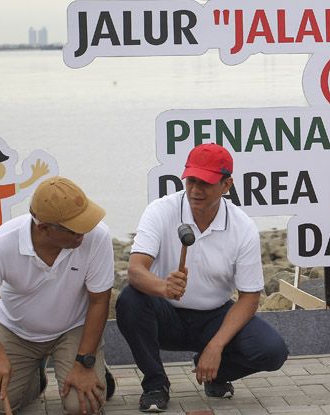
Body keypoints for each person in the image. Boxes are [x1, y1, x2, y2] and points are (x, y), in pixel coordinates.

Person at [116, 143, 288, 413]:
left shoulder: (242, 227)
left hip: (214, 317)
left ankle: (215, 373)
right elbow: (136, 270)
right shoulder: (160, 210)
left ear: (226, 184)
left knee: (273, 351)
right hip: (166, 315)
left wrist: (216, 346)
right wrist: (163, 287)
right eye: (191, 180)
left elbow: (249, 297)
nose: (195, 190)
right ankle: (155, 384)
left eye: (205, 183)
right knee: (130, 299)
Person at [0, 177, 115, 414]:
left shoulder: (97, 236)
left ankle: (95, 366)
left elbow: (99, 300)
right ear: (44, 228)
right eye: (74, 229)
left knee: (82, 406)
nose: (84, 232)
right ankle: (34, 379)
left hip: (73, 329)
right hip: (16, 331)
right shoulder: (1, 244)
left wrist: (84, 362)